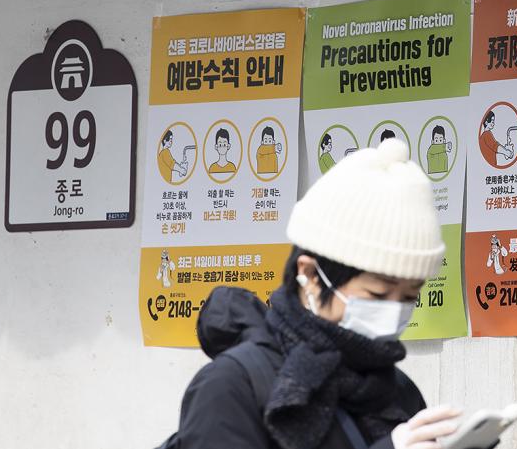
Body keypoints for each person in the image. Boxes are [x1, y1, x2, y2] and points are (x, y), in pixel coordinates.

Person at [166, 139, 461, 449]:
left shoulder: (397, 391)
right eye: (377, 294)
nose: (394, 311)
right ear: (309, 275)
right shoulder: (231, 386)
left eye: (408, 298)